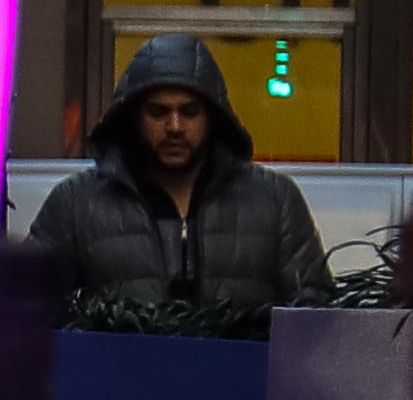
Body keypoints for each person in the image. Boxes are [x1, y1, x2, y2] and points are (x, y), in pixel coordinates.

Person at [20, 31, 334, 317]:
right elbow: (22, 305)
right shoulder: (77, 204)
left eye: (190, 112)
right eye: (158, 112)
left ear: (213, 116)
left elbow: (315, 318)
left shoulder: (274, 199)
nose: (175, 127)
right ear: (134, 116)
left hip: (245, 379)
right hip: (118, 379)